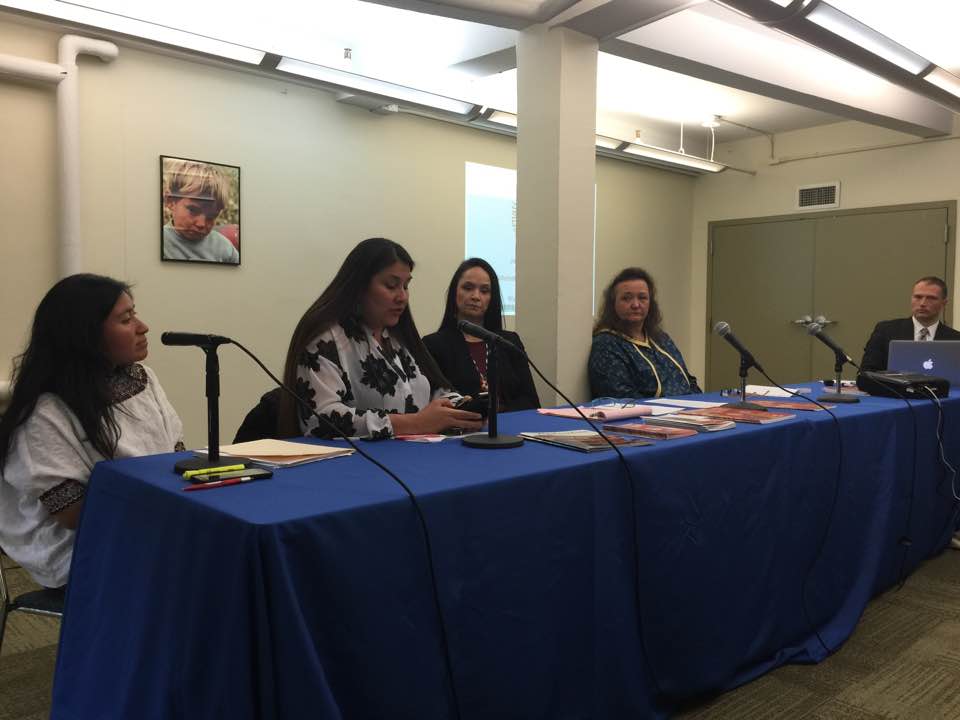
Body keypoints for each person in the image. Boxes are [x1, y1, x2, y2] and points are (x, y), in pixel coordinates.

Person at [0, 274, 184, 589]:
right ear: (85, 335)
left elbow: (175, 453)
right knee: (201, 562)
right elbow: (74, 514)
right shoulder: (45, 410)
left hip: (146, 519)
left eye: (135, 314)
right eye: (126, 320)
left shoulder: (143, 378)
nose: (142, 327)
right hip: (79, 548)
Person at [278, 238, 483, 439]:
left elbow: (436, 391)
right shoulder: (325, 339)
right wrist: (415, 423)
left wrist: (465, 410)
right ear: (359, 287)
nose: (402, 297)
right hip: (353, 459)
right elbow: (321, 418)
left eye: (406, 286)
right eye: (391, 286)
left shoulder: (399, 337)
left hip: (414, 455)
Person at [423, 258, 540, 413]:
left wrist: (497, 412)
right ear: (454, 292)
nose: (475, 296)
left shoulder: (509, 341)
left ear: (492, 298)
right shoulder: (433, 345)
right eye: (468, 288)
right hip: (462, 426)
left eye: (484, 291)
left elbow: (531, 402)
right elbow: (435, 404)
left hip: (511, 425)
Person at [588, 267, 701, 399]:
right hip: (648, 412)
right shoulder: (606, 344)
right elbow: (622, 398)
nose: (636, 305)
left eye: (642, 298)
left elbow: (688, 381)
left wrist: (701, 404)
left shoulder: (661, 338)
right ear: (613, 304)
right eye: (626, 298)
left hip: (690, 409)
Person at [859, 276, 960, 372]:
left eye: (931, 298)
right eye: (918, 297)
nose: (922, 303)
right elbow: (866, 373)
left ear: (944, 303)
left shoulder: (956, 339)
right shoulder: (886, 331)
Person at [162, 158, 239, 264]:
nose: (201, 224)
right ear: (170, 201)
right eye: (193, 210)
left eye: (211, 216)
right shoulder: (160, 242)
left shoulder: (225, 249)